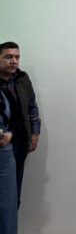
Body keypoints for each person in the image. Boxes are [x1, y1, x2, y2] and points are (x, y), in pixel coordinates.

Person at [0, 41, 42, 207]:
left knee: (13, 195)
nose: (14, 61)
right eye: (8, 57)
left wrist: (35, 133)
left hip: (19, 143)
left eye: (17, 57)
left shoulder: (22, 78)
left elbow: (32, 107)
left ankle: (11, 224)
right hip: (1, 144)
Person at [0, 96, 18, 234]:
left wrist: (10, 134)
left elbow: (17, 117)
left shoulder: (6, 91)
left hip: (4, 153)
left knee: (7, 209)